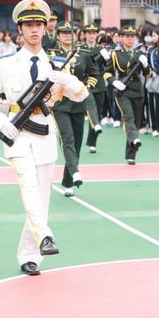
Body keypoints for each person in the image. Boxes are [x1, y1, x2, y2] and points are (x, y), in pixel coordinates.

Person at [0, 0, 87, 276]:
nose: (35, 30)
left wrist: (69, 82)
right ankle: (45, 235)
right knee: (28, 187)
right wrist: (0, 124)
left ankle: (30, 256)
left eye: (39, 24)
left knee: (42, 197)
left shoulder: (56, 63)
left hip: (45, 133)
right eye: (29, 25)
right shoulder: (5, 64)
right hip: (17, 134)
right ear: (20, 30)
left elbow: (80, 95)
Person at [47, 21, 100, 197]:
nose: (67, 36)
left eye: (70, 33)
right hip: (60, 104)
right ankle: (75, 172)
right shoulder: (52, 54)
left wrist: (85, 88)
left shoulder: (83, 54)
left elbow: (94, 74)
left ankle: (67, 181)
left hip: (78, 104)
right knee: (67, 139)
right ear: (58, 36)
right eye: (63, 33)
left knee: (77, 142)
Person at [105, 25, 151, 164]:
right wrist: (114, 82)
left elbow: (148, 75)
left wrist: (146, 64)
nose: (130, 39)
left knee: (136, 122)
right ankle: (135, 138)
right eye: (127, 36)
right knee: (128, 117)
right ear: (121, 38)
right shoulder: (115, 54)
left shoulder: (141, 54)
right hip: (122, 91)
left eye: (132, 36)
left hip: (138, 91)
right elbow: (106, 73)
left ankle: (131, 155)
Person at [84, 24, 108, 153]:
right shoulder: (81, 48)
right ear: (85, 34)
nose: (92, 35)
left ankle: (92, 143)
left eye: (94, 33)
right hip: (86, 83)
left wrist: (106, 57)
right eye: (89, 33)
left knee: (96, 113)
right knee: (91, 109)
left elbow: (108, 67)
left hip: (99, 85)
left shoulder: (100, 49)